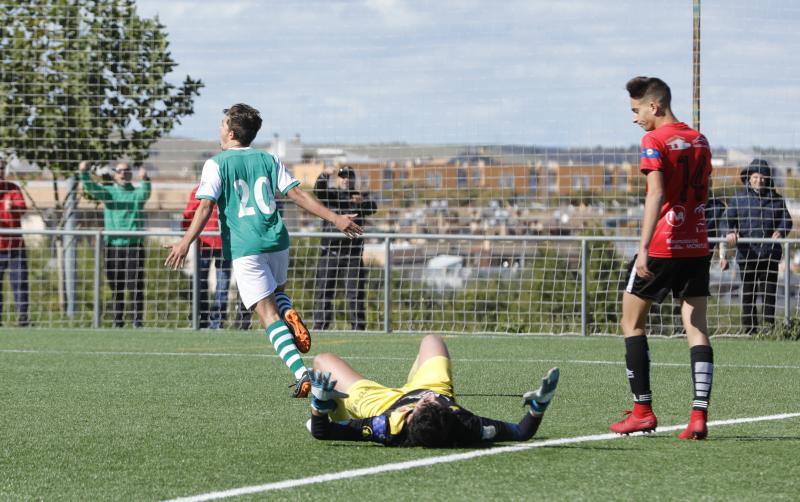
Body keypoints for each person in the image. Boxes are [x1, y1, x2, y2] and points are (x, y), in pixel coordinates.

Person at [165, 103, 362, 397]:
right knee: (277, 294)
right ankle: (290, 312)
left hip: (246, 246)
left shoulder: (216, 163)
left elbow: (205, 206)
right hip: (277, 241)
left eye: (222, 124)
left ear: (231, 133)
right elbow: (296, 194)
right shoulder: (269, 159)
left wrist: (185, 241)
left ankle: (302, 373)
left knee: (268, 316)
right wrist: (335, 218)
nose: (219, 129)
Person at [610, 77, 715, 440]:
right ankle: (698, 415)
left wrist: (642, 249)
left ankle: (642, 411)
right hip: (698, 243)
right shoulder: (700, 140)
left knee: (631, 322)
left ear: (654, 106)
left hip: (662, 246)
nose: (634, 118)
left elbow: (655, 194)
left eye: (636, 110)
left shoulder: (653, 141)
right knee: (696, 325)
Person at [307, 334, 559, 447]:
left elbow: (320, 432)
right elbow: (520, 432)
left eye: (426, 402)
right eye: (438, 402)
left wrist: (319, 406)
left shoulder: (385, 426)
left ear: (411, 415)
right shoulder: (467, 425)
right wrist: (539, 406)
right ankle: (415, 381)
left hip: (381, 403)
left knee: (322, 360)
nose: (429, 398)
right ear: (450, 411)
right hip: (429, 384)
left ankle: (337, 406)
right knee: (432, 340)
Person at [723, 159, 793, 334]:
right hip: (747, 255)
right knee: (748, 294)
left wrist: (781, 231)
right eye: (755, 176)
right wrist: (730, 231)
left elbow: (787, 221)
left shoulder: (777, 200)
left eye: (763, 177)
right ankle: (749, 330)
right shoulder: (739, 198)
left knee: (769, 295)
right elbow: (726, 220)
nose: (759, 180)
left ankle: (769, 330)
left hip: (770, 255)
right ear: (749, 178)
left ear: (768, 179)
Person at [79, 160, 151, 328]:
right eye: (119, 171)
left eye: (126, 171)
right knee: (116, 286)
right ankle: (118, 321)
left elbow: (145, 193)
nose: (123, 174)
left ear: (130, 174)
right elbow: (91, 187)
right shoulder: (109, 192)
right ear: (115, 174)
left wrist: (146, 179)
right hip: (113, 246)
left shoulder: (136, 193)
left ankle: (137, 322)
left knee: (135, 286)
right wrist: (84, 172)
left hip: (134, 246)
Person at [312, 165, 377, 330]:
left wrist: (362, 203)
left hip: (353, 255)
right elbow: (318, 190)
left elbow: (373, 207)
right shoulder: (331, 195)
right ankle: (320, 326)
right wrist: (324, 174)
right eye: (342, 176)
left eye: (349, 176)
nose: (346, 179)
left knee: (355, 294)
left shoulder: (359, 197)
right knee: (324, 291)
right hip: (330, 253)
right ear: (338, 179)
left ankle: (358, 328)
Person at [182, 185, 231, 329]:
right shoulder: (199, 190)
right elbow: (189, 213)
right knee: (200, 283)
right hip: (204, 243)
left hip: (225, 243)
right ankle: (201, 320)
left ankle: (217, 322)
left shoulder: (228, 189)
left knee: (222, 284)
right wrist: (188, 236)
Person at [0, 159, 29, 327]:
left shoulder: (13, 188)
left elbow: (23, 207)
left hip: (15, 247)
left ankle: (23, 318)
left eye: (1, 168)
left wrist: (13, 208)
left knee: (20, 283)